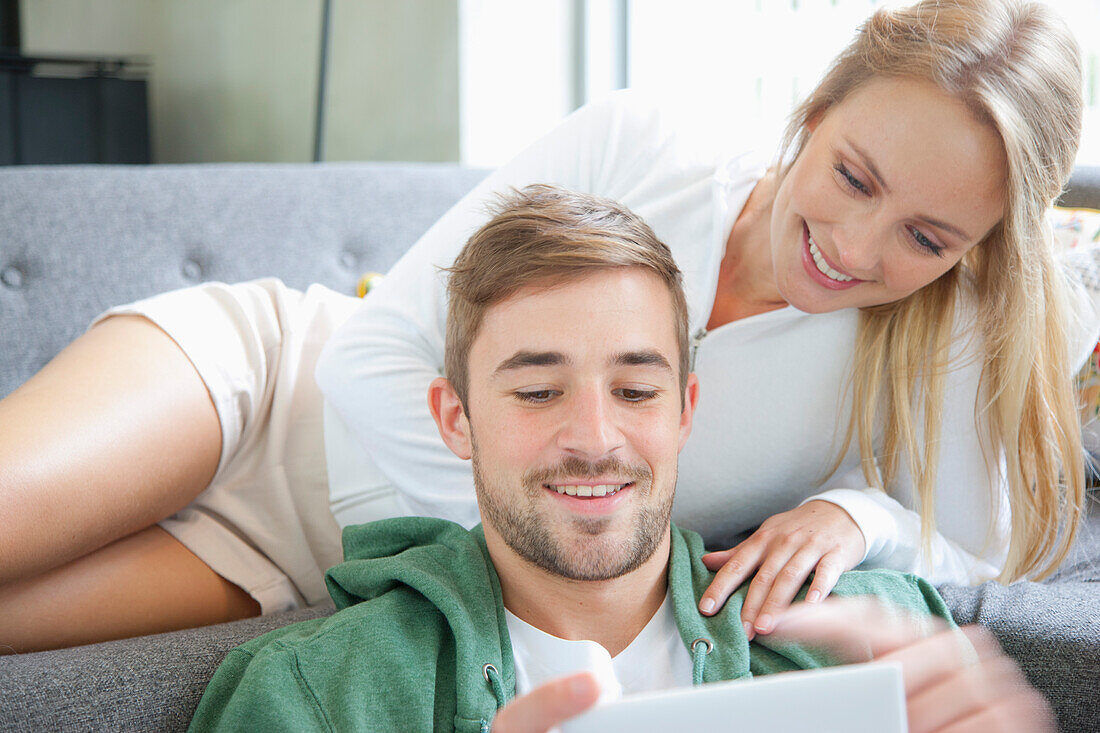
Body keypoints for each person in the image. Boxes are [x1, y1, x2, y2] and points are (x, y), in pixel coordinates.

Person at [0, 0, 1092, 652]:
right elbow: (378, 354)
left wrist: (857, 514)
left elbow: (988, 543)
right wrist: (527, 580)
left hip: (299, 560)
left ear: (974, 247)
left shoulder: (922, 341)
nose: (855, 249)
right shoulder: (644, 144)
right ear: (811, 114)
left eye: (925, 236)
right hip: (263, 386)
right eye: (852, 175)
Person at [188, 184, 1053, 733]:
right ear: (457, 420)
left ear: (684, 412)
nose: (596, 438)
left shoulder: (879, 640)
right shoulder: (318, 696)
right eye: (536, 391)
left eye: (636, 392)